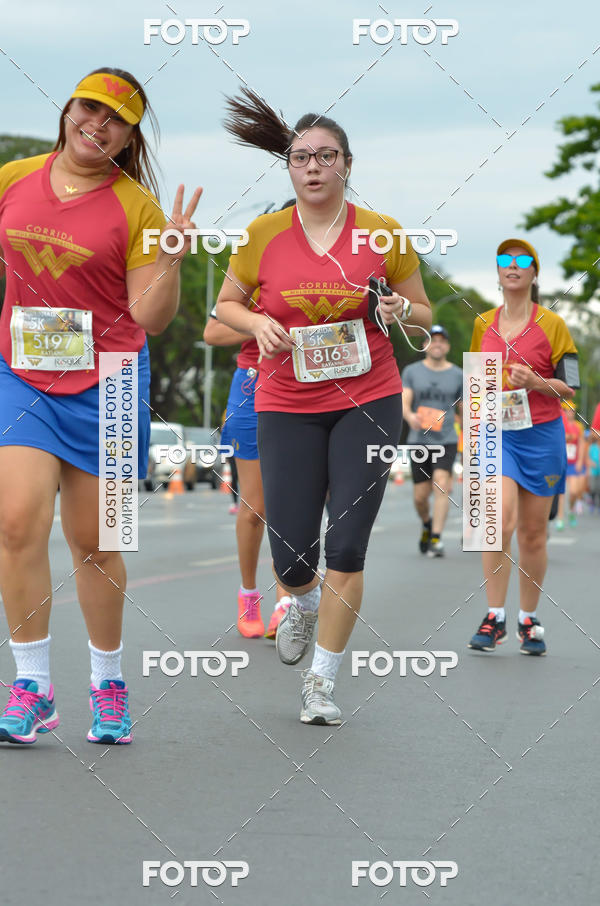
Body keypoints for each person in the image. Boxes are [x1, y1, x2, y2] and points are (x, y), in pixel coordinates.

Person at [216, 87, 432, 724]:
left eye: (326, 156)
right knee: (291, 553)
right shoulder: (262, 234)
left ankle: (321, 682)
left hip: (367, 397)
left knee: (347, 545)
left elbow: (422, 313)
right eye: (301, 157)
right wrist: (254, 325)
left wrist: (398, 309)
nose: (313, 166)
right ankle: (301, 605)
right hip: (284, 401)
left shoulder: (384, 235)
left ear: (345, 165)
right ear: (288, 167)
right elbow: (224, 307)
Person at [0, 68, 201, 744]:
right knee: (16, 521)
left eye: (117, 118)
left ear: (129, 136)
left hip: (110, 382)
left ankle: (107, 683)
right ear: (68, 109)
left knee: (95, 543)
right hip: (21, 371)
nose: (99, 123)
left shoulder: (138, 207)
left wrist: (171, 262)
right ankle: (32, 686)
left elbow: (152, 315)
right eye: (91, 107)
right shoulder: (14, 177)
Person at [468, 239, 578, 656]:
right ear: (497, 274)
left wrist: (535, 382)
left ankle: (527, 620)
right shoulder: (483, 323)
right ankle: (494, 616)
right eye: (504, 260)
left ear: (534, 273)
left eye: (522, 260)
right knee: (497, 521)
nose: (512, 266)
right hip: (497, 433)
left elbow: (571, 385)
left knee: (534, 534)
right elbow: (476, 381)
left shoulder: (553, 325)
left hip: (542, 435)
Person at [204, 285, 292, 639]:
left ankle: (287, 600)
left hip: (303, 385)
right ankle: (249, 594)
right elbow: (211, 333)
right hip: (252, 386)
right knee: (254, 506)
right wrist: (259, 324)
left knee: (291, 504)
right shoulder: (245, 274)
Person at [401, 324, 462, 557]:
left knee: (441, 483)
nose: (437, 344)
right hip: (419, 440)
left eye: (441, 340)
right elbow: (405, 402)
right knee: (419, 496)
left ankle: (436, 539)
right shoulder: (412, 371)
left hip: (446, 439)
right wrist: (410, 416)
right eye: (432, 340)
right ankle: (427, 523)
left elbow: (464, 410)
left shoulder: (458, 375)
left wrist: (468, 442)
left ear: (447, 346)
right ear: (424, 345)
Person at [555, 400, 586, 528]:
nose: (570, 413)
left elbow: (582, 443)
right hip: (561, 463)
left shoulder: (578, 427)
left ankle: (572, 510)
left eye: (572, 410)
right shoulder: (559, 424)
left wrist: (580, 461)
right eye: (567, 410)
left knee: (573, 492)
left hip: (573, 464)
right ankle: (560, 519)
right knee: (561, 493)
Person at [587, 429, 600, 512]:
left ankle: (598, 506)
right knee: (593, 488)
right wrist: (591, 463)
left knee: (599, 488)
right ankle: (592, 502)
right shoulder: (592, 447)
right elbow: (587, 459)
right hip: (593, 471)